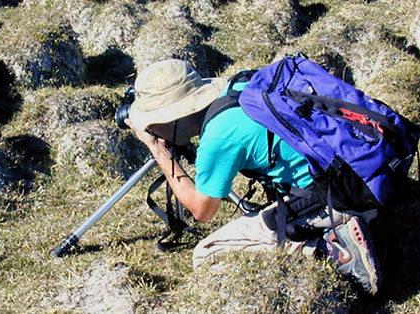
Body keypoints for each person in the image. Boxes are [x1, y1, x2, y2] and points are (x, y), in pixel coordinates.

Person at [125, 59, 379, 294]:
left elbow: (202, 211)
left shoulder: (219, 137)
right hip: (361, 169)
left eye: (153, 120)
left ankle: (332, 249)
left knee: (207, 253)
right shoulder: (240, 89)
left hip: (337, 194)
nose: (151, 127)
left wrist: (157, 149)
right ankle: (341, 221)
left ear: (173, 116)